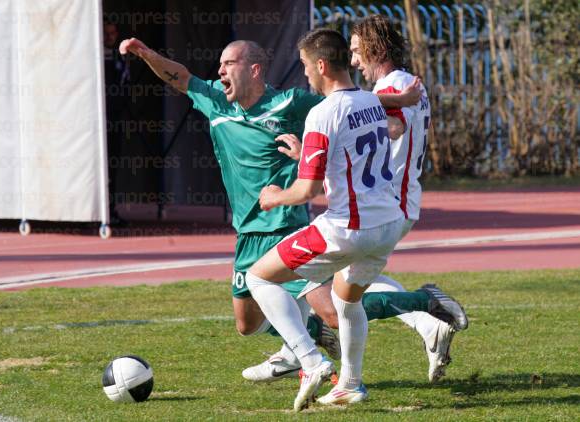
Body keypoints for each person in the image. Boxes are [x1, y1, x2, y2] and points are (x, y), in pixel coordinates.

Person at [118, 36, 463, 401]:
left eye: (228, 64)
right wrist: (144, 53)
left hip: (286, 221)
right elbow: (180, 77)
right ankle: (302, 342)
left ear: (254, 69)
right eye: (218, 64)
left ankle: (418, 306)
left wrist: (397, 103)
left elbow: (343, 102)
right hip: (248, 230)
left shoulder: (292, 103)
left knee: (333, 311)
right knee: (247, 324)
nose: (219, 71)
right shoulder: (216, 103)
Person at [246, 28, 468, 410]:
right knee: (346, 301)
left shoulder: (322, 112)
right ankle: (349, 384)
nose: (304, 76)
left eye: (304, 67)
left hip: (347, 227)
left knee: (258, 277)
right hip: (387, 225)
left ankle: (309, 360)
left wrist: (273, 198)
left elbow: (307, 191)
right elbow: (385, 129)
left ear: (319, 65)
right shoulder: (370, 100)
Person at [350, 15, 467, 383]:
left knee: (337, 286)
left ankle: (309, 359)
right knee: (349, 281)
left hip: (386, 202)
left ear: (375, 48)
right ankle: (426, 322)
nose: (354, 61)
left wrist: (344, 133)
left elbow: (395, 125)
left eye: (356, 51)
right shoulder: (406, 83)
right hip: (397, 199)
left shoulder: (394, 85)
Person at [104, 22, 129, 226]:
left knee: (113, 166)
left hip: (115, 120)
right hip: (98, 122)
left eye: (113, 32)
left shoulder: (119, 57)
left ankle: (110, 209)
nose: (109, 37)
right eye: (105, 33)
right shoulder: (96, 58)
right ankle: (96, 212)